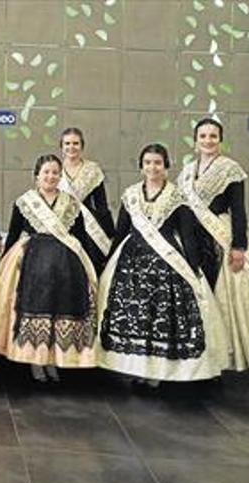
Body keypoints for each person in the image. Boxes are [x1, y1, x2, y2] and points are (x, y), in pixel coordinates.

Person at [97, 143, 227, 386]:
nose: (152, 167)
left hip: (166, 264)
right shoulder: (131, 195)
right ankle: (136, 368)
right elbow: (121, 231)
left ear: (166, 166)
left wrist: (193, 265)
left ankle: (158, 371)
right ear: (141, 166)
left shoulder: (177, 196)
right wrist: (108, 260)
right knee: (135, 315)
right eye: (147, 162)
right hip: (131, 264)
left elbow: (187, 235)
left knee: (160, 316)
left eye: (157, 162)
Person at [177, 118, 249, 371]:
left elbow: (238, 209)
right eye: (203, 136)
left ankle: (225, 351)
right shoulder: (187, 171)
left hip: (221, 235)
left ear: (220, 141)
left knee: (223, 292)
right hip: (192, 237)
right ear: (195, 141)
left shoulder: (230, 168)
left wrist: (238, 246)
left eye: (213, 136)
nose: (208, 141)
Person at [0, 154, 99, 382]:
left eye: (55, 172)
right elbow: (14, 234)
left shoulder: (71, 203)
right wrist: (3, 269)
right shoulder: (24, 202)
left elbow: (81, 238)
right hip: (32, 265)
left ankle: (54, 360)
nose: (51, 176)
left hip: (66, 267)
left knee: (60, 311)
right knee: (36, 311)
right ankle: (36, 361)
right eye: (46, 172)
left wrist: (88, 265)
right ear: (37, 176)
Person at [58, 127, 114, 273]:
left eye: (75, 143)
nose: (71, 147)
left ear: (82, 146)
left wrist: (110, 233)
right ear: (61, 146)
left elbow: (101, 204)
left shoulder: (93, 170)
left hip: (88, 229)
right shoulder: (53, 169)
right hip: (60, 226)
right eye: (67, 143)